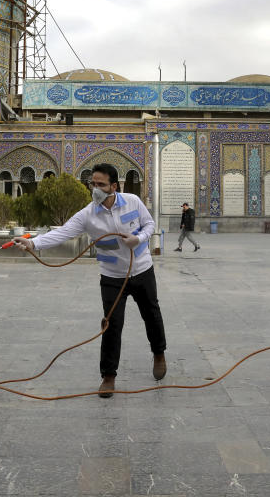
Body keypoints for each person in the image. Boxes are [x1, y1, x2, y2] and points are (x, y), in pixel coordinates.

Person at [15, 163, 166, 399]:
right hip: (112, 277)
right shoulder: (88, 215)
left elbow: (149, 224)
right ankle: (108, 377)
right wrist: (33, 243)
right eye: (92, 184)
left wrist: (139, 239)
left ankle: (158, 353)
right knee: (111, 324)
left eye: (100, 184)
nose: (95, 189)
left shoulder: (133, 201)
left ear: (113, 186)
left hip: (142, 269)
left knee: (152, 315)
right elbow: (62, 233)